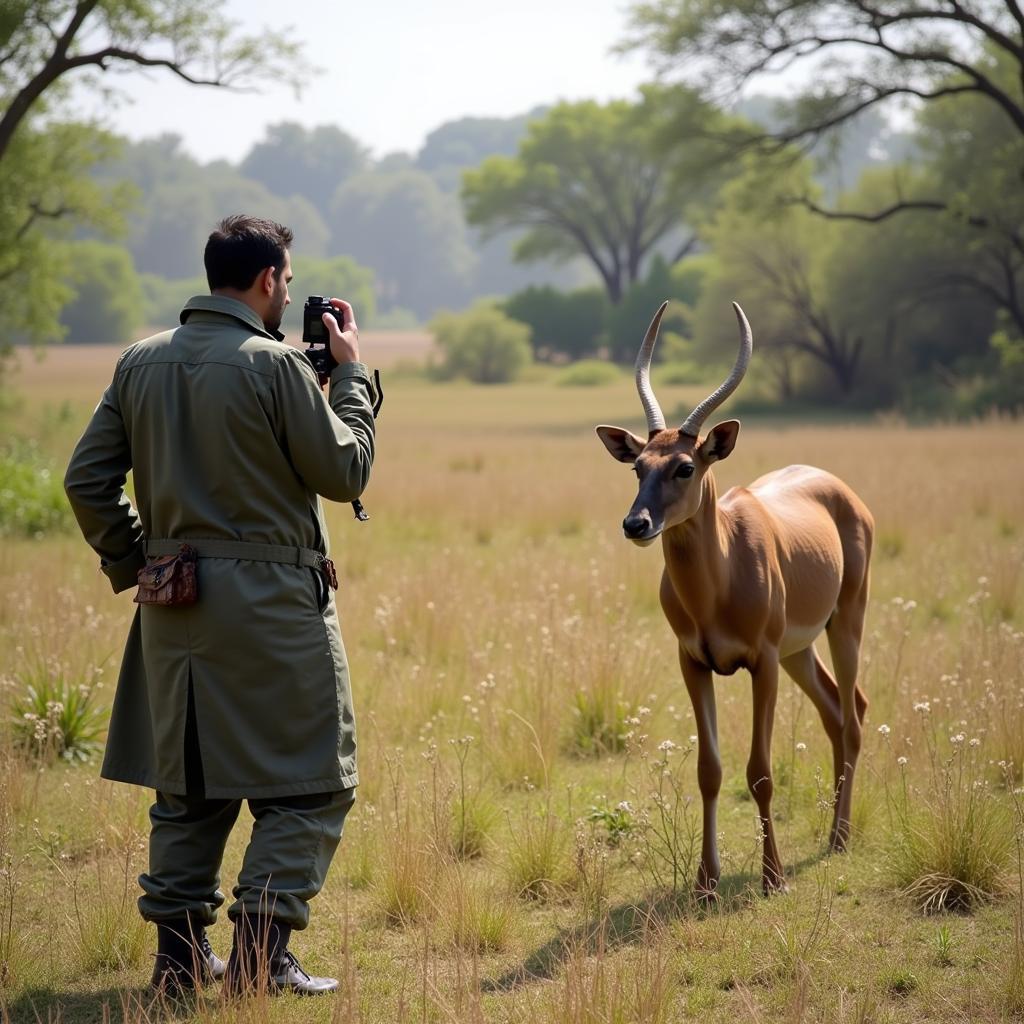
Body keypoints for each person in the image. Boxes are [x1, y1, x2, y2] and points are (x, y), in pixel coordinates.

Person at [63, 214, 375, 998]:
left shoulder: (139, 362)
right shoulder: (273, 368)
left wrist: (139, 564)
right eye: (289, 282)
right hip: (273, 610)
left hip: (172, 608)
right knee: (312, 783)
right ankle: (261, 956)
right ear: (269, 280)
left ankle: (177, 962)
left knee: (189, 784)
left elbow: (85, 481)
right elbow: (345, 471)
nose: (288, 294)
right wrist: (350, 379)